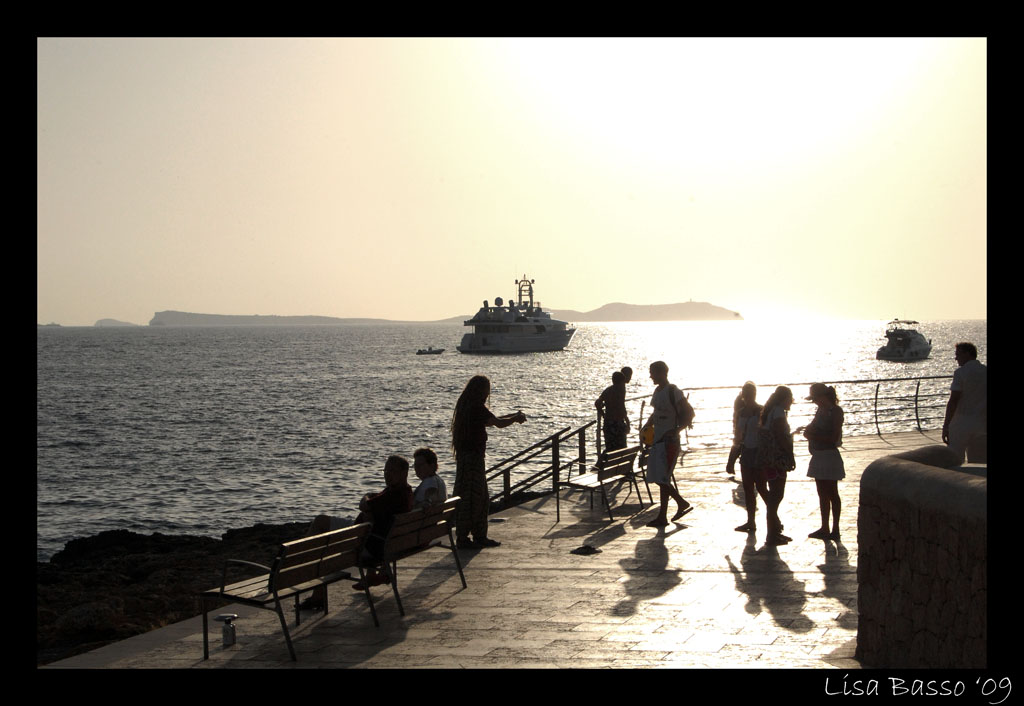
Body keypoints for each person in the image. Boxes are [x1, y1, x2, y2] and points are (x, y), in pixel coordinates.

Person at [302, 455, 414, 604]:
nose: (387, 474)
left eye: (392, 471)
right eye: (385, 470)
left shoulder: (394, 496)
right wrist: (369, 507)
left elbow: (365, 505)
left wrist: (367, 501)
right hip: (374, 538)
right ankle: (306, 559)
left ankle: (304, 562)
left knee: (323, 532)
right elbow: (374, 503)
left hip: (365, 542)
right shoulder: (404, 492)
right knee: (321, 521)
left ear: (404, 473)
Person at [450, 375, 527, 549]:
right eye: (486, 390)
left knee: (472, 497)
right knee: (476, 498)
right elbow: (498, 423)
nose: (487, 394)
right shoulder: (476, 408)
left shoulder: (467, 407)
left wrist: (513, 416)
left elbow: (493, 420)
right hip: (473, 459)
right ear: (480, 390)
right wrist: (515, 419)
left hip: (466, 459)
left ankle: (472, 535)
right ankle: (472, 536)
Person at [640, 361, 694, 527]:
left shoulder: (674, 392)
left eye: (653, 373)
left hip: (669, 441)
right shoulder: (657, 392)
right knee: (659, 477)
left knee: (662, 477)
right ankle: (663, 515)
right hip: (657, 440)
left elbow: (690, 413)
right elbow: (656, 412)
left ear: (662, 373)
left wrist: (677, 430)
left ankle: (681, 502)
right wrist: (648, 424)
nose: (651, 376)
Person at [799, 384, 845, 541]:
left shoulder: (836, 411)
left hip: (829, 455)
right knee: (821, 492)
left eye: (815, 399)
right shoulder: (820, 411)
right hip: (818, 455)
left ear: (822, 397)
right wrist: (810, 433)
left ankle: (835, 528)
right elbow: (810, 430)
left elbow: (833, 438)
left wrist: (813, 436)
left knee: (832, 492)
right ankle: (824, 526)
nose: (814, 402)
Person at [759, 386, 797, 545]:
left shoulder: (770, 411)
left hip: (768, 458)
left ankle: (774, 531)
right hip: (777, 458)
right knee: (776, 495)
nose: (792, 401)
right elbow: (780, 435)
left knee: (774, 495)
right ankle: (771, 534)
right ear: (784, 398)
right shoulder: (779, 412)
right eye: (791, 398)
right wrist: (790, 454)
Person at [732, 382, 770, 533]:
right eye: (745, 393)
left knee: (761, 487)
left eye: (750, 393)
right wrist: (735, 453)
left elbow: (766, 431)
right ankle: (750, 521)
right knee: (748, 488)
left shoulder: (761, 410)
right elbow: (738, 434)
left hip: (758, 451)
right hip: (746, 450)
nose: (747, 396)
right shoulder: (741, 412)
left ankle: (774, 518)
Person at [942, 342, 987, 463]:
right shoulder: (985, 371)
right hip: (982, 424)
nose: (956, 358)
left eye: (958, 354)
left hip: (961, 423)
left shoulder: (960, 373)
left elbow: (954, 400)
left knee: (954, 459)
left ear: (968, 354)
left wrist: (946, 425)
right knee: (979, 463)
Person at [595, 371, 630, 451]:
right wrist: (627, 422)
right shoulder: (620, 391)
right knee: (621, 448)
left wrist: (603, 414)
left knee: (610, 447)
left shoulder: (607, 390)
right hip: (618, 423)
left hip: (608, 423)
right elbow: (621, 408)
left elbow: (597, 403)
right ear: (621, 381)